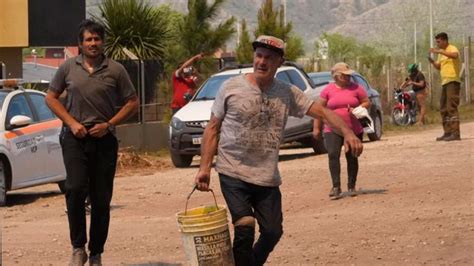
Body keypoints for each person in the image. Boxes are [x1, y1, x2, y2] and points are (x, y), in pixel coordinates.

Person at [194, 35, 363, 265]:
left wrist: (349, 132)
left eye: (269, 58)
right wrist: (204, 168)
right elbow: (213, 128)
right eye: (259, 56)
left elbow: (322, 113)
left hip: (266, 176)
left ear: (279, 62)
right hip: (232, 170)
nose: (262, 62)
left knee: (273, 231)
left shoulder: (287, 92)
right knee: (244, 226)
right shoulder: (231, 87)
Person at [45, 19, 139, 266]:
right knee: (75, 189)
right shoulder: (67, 68)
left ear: (102, 42)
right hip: (75, 137)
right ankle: (78, 248)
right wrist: (71, 123)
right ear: (80, 43)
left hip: (104, 139)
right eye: (88, 39)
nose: (93, 43)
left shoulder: (116, 69)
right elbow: (51, 98)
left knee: (100, 199)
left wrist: (109, 124)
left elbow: (132, 102)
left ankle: (96, 252)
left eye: (97, 39)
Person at [313, 62, 370, 198]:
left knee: (352, 156)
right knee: (333, 154)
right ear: (337, 76)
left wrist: (359, 108)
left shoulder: (357, 88)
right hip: (332, 128)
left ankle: (351, 186)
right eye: (345, 75)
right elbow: (318, 110)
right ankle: (336, 187)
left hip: (353, 128)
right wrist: (316, 128)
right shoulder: (328, 90)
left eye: (349, 76)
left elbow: (366, 102)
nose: (349, 78)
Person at [428, 32, 462, 141]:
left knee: (451, 106)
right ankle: (447, 132)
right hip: (445, 82)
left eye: (438, 42)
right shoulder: (441, 54)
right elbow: (439, 66)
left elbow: (455, 55)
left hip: (453, 81)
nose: (437, 44)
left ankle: (455, 133)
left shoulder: (452, 48)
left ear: (444, 40)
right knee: (443, 108)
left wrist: (441, 51)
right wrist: (432, 61)